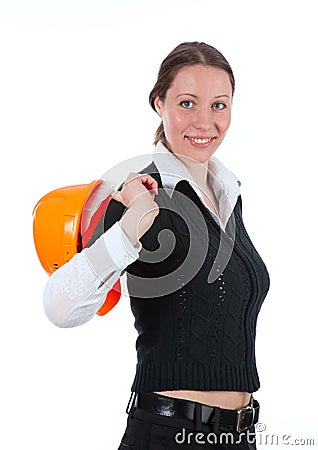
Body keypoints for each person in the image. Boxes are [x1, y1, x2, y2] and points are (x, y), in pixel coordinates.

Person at [43, 42, 270, 449]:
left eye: (219, 105)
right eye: (187, 103)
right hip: (168, 436)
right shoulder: (136, 195)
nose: (204, 122)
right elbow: (58, 307)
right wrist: (131, 226)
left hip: (240, 437)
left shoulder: (229, 194)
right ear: (158, 103)